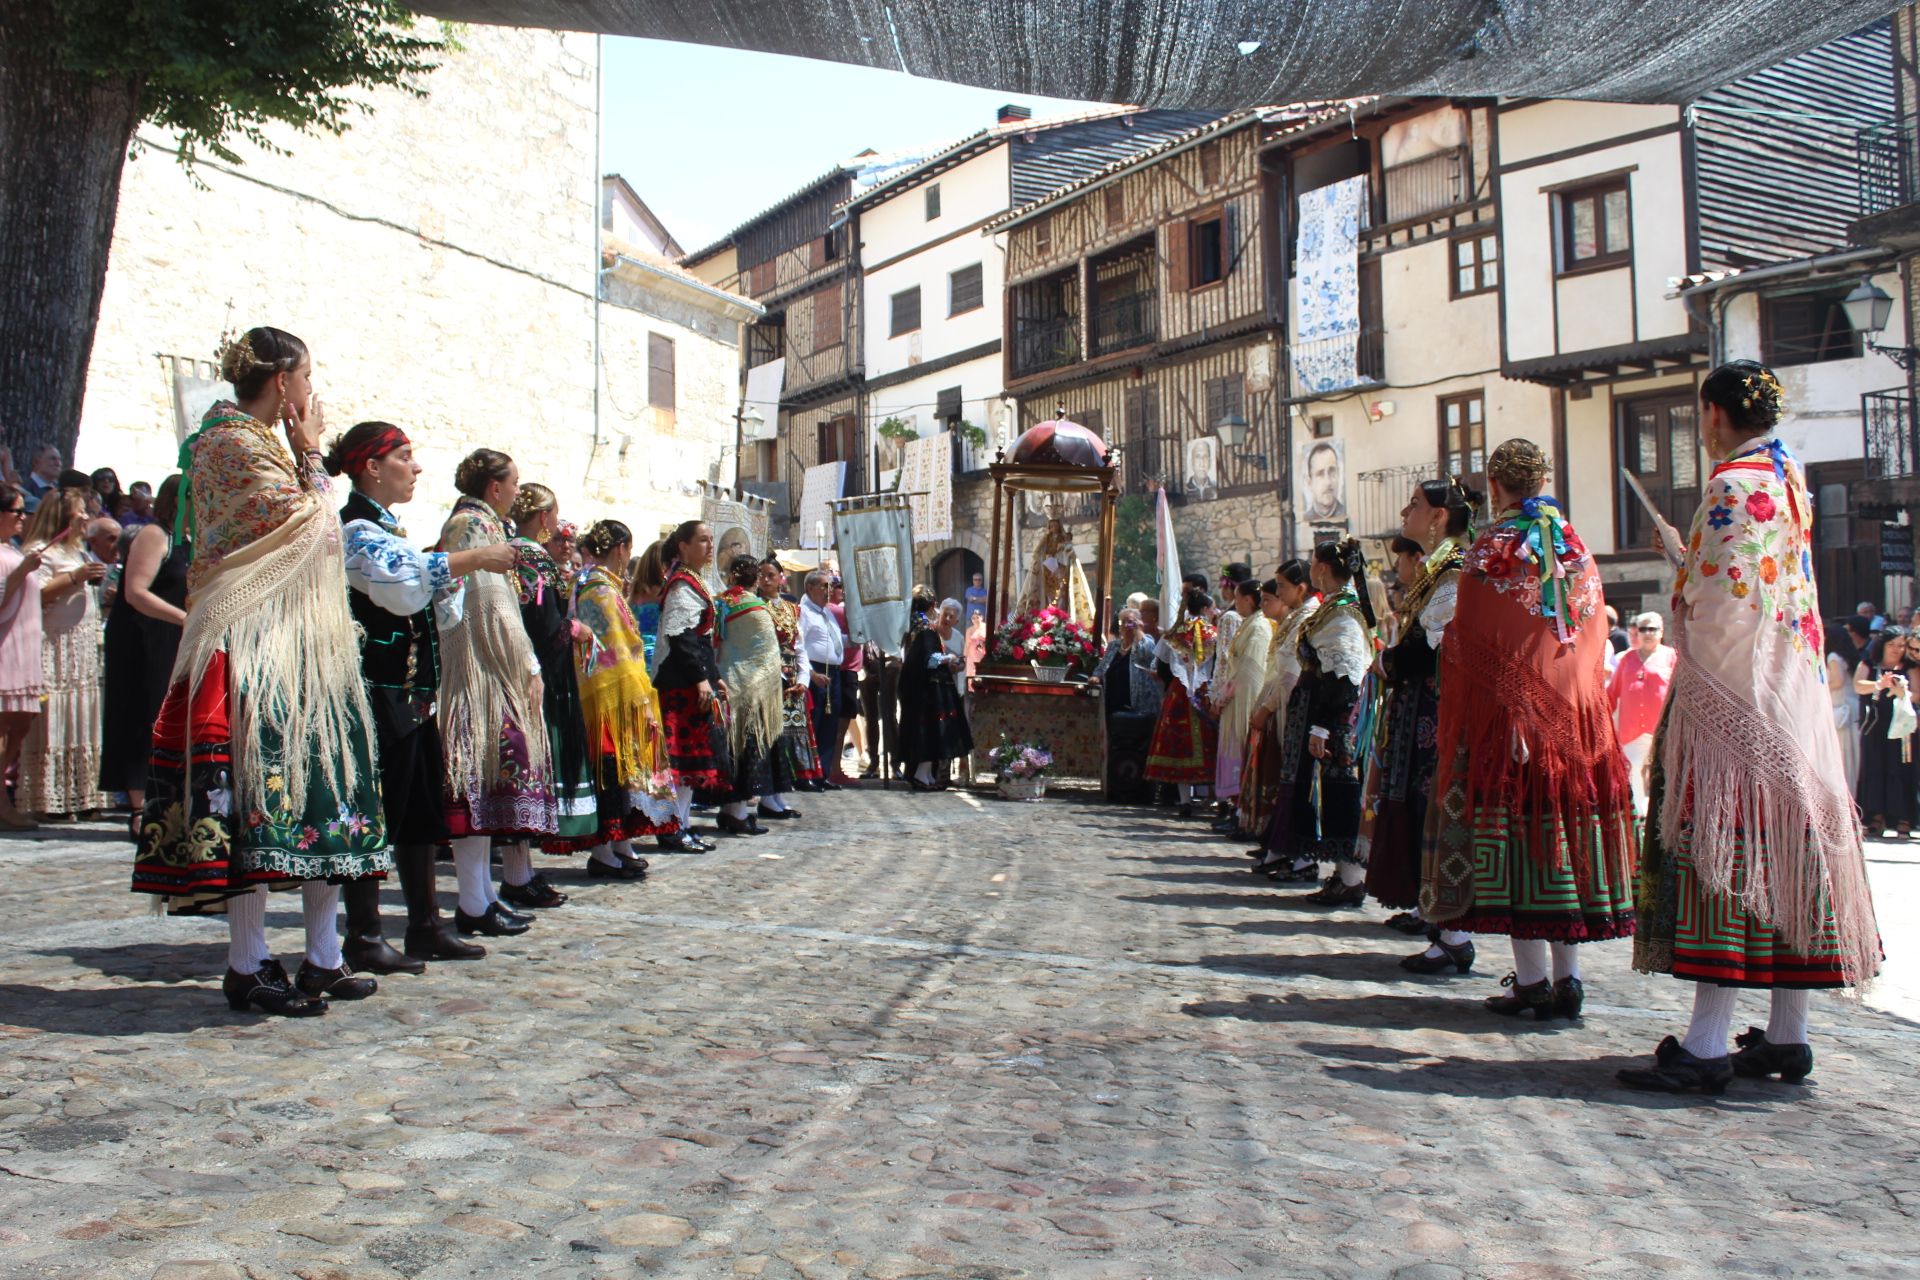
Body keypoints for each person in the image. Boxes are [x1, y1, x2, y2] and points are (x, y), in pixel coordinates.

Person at [1623, 361, 1882, 1093]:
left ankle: (1705, 1045)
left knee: (1726, 859)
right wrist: (1690, 561)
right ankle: (1787, 1034)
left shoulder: (1732, 487)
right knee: (1788, 856)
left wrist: (1680, 569)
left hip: (1736, 698)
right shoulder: (1788, 478)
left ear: (1712, 413)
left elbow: (1716, 602)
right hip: (1790, 690)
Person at [131, 326, 391, 1015]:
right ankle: (247, 963)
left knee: (320, 791)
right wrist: (313, 453)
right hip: (250, 642)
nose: (312, 391)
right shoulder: (234, 445)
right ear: (284, 383)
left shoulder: (249, 443)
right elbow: (316, 529)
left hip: (288, 641)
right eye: (307, 376)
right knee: (257, 798)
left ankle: (323, 958)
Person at [1419, 438, 1635, 1020]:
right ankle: (1569, 979)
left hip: (1510, 724)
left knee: (1520, 846)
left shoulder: (1492, 547)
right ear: (1541, 480)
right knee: (1559, 836)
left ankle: (1534, 981)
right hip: (1574, 720)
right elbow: (1588, 639)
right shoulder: (1576, 547)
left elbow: (1468, 637)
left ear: (1495, 487)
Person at [332, 421, 507, 969]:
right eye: (405, 457)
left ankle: (425, 924)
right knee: (373, 810)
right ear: (372, 468)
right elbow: (404, 590)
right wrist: (470, 560)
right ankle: (362, 936)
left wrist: (446, 576)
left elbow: (432, 601)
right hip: (373, 691)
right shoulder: (356, 528)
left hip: (407, 694)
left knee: (417, 810)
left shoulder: (389, 530)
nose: (416, 467)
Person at [436, 449, 553, 938]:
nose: (517, 490)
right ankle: (473, 900)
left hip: (488, 669)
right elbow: (488, 603)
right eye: (514, 482)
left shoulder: (484, 526)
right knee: (476, 779)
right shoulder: (472, 527)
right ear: (494, 488)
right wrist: (526, 661)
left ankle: (481, 896)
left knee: (486, 783)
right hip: (478, 672)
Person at [1368, 479, 1474, 963]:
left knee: (1436, 809)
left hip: (1440, 711)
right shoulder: (1436, 572)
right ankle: (1438, 922)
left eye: (1415, 505)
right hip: (1420, 711)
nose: (1405, 511)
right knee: (1419, 806)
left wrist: (1389, 663)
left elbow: (1427, 647)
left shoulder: (1453, 571)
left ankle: (1451, 933)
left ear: (1437, 518)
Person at [1262, 539, 1374, 902]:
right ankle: (1341, 874)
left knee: (1339, 791)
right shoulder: (1334, 608)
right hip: (1315, 710)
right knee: (1327, 789)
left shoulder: (1344, 613)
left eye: (1313, 563)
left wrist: (1323, 726)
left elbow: (1343, 675)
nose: (1311, 569)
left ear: (1322, 568)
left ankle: (1351, 878)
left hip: (1332, 717)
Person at [568, 519, 682, 864]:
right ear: (620, 550)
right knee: (610, 770)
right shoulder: (600, 589)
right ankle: (603, 849)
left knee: (621, 773)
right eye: (628, 549)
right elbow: (617, 648)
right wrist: (640, 698)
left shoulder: (597, 585)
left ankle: (619, 844)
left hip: (609, 691)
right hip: (612, 694)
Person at [506, 483, 600, 900]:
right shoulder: (532, 558)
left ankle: (521, 872)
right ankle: (517, 875)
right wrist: (574, 629)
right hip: (539, 676)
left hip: (529, 669)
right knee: (530, 768)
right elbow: (543, 627)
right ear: (545, 518)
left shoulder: (517, 553)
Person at [99, 476, 189, 834]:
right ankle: (139, 808)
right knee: (142, 713)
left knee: (167, 715)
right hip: (145, 635)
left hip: (173, 635)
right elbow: (136, 592)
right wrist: (184, 618)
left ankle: (166, 799)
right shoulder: (155, 535)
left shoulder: (188, 541)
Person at [16, 482, 108, 818]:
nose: (86, 516)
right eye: (79, 510)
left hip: (80, 644)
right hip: (55, 643)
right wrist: (75, 578)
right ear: (63, 516)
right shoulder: (43, 551)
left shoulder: (77, 550)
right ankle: (48, 797)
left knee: (81, 716)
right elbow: (34, 595)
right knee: (56, 716)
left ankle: (81, 796)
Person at [655, 521, 732, 841]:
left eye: (711, 540)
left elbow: (702, 640)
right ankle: (671, 827)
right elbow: (683, 638)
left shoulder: (693, 581)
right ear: (683, 546)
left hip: (693, 683)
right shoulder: (682, 584)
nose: (709, 546)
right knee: (681, 762)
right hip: (681, 685)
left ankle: (681, 825)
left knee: (692, 761)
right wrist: (703, 680)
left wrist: (714, 678)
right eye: (702, 540)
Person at [711, 554, 791, 833]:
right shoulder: (757, 608)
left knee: (733, 751)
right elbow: (767, 655)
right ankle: (737, 812)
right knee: (748, 751)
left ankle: (730, 809)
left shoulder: (720, 602)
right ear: (755, 578)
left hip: (726, 683)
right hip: (754, 690)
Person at [1239, 565, 1315, 842]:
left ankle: (1284, 842)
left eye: (1281, 587)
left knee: (1284, 772)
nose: (1278, 592)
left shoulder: (1307, 618)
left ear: (1301, 587)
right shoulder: (1296, 618)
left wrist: (1266, 707)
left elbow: (1290, 673)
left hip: (1289, 706)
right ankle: (1272, 836)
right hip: (1277, 702)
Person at [1145, 588, 1219, 818]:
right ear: (1206, 609)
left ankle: (1184, 801)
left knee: (1180, 745)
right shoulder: (1214, 633)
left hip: (1178, 694)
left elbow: (1162, 666)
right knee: (1212, 744)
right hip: (1206, 691)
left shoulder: (1175, 632)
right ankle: (1219, 799)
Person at [758, 557, 822, 806]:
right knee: (771, 737)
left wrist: (804, 679)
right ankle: (767, 795)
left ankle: (779, 794)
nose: (765, 579)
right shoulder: (755, 606)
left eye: (770, 574)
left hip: (792, 679)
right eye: (761, 575)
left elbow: (799, 646)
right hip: (769, 677)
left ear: (781, 577)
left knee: (789, 736)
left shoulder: (792, 609)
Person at [1211, 580, 1272, 834]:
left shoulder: (1258, 627)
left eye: (1237, 597)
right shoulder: (1249, 624)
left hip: (1244, 700)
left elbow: (1250, 671)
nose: (1234, 603)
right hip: (1235, 696)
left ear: (1248, 599)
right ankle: (1238, 811)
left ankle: (1242, 813)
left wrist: (1225, 695)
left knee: (1241, 754)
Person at [0, 485, 45, 830]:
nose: (22, 518)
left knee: (19, 726)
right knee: (3, 730)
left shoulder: (12, 549)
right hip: (5, 648)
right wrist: (21, 572)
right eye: (16, 511)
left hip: (23, 646)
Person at [899, 587, 973, 789]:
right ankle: (921, 774)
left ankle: (928, 774)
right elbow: (930, 660)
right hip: (929, 690)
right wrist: (950, 657)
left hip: (929, 688)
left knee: (934, 732)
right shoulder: (926, 630)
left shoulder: (918, 626)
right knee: (930, 731)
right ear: (933, 607)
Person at [1607, 611, 1677, 817]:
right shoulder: (1627, 658)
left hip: (1662, 728)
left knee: (1665, 771)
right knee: (1633, 770)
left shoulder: (1672, 656)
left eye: (1652, 629)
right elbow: (1612, 692)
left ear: (1661, 631)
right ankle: (1639, 812)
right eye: (1643, 629)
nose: (1647, 633)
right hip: (1632, 729)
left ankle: (1665, 813)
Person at [1854, 627, 1919, 840]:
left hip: (1900, 727)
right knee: (1874, 765)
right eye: (1892, 645)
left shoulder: (1909, 667)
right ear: (1882, 644)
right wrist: (1879, 684)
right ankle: (1874, 816)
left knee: (1900, 768)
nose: (1896, 650)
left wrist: (1903, 692)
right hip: (1874, 725)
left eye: (1901, 645)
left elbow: (1917, 694)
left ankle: (1903, 817)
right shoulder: (1869, 664)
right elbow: (1858, 685)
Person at [798, 569, 845, 791]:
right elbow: (799, 645)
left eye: (830, 587)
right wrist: (811, 674)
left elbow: (833, 640)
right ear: (810, 588)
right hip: (815, 673)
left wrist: (855, 638)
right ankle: (806, 773)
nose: (829, 591)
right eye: (824, 586)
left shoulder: (827, 613)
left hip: (833, 673)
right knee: (813, 725)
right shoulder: (804, 612)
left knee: (830, 725)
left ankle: (822, 774)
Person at [1020, 515, 1096, 627]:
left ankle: (1062, 618)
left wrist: (1062, 552)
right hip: (1048, 573)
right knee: (1048, 597)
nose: (1054, 528)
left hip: (1061, 572)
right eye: (1052, 526)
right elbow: (1037, 552)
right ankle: (1049, 617)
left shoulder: (1063, 538)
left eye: (1056, 525)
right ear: (1049, 527)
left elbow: (1069, 552)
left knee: (1062, 597)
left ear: (1059, 527)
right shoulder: (1046, 539)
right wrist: (1046, 558)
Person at [827, 577, 865, 781]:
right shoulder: (838, 611)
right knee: (840, 724)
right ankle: (833, 769)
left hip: (846, 670)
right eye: (838, 587)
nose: (842, 590)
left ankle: (834, 767)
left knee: (842, 722)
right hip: (844, 670)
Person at [1827, 619, 1865, 794]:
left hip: (1841, 707)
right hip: (1851, 705)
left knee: (1842, 754)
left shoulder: (1833, 657)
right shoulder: (1847, 655)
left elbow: (1837, 681)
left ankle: (1845, 793)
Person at [1301, 442, 1346, 522]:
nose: (1328, 482)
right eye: (1320, 474)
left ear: (1339, 474)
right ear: (1309, 482)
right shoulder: (1306, 518)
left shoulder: (1344, 511)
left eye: (1332, 472)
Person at [20, 445, 60, 513]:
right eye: (52, 459)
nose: (58, 463)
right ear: (37, 462)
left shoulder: (61, 490)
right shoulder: (25, 490)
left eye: (59, 459)